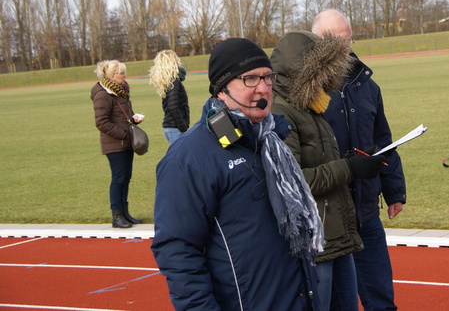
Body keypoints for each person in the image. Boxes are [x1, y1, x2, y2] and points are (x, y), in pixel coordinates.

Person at [151, 38, 324, 311]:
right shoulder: (189, 158)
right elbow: (178, 251)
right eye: (250, 79)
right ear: (221, 89)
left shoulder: (272, 140)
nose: (263, 88)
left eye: (268, 77)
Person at [269, 30, 388, 311]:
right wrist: (350, 167)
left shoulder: (311, 105)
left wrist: (354, 160)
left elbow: (318, 162)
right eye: (322, 70)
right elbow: (293, 181)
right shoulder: (281, 111)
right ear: (304, 71)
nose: (329, 79)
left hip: (335, 235)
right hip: (313, 242)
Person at [312, 9, 406, 311]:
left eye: (347, 40)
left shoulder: (368, 86)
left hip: (366, 212)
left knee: (381, 297)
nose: (343, 49)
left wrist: (394, 191)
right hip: (328, 217)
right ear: (316, 43)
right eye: (334, 41)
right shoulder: (306, 92)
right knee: (337, 303)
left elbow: (383, 141)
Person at [90, 60, 145, 229]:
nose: (125, 76)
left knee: (125, 178)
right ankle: (117, 215)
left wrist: (134, 118)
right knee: (118, 178)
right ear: (112, 76)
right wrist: (123, 134)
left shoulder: (120, 91)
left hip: (126, 141)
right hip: (115, 143)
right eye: (122, 73)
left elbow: (122, 115)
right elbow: (101, 122)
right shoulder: (103, 94)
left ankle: (125, 212)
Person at [149, 49, 190, 144]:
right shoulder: (174, 82)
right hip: (175, 128)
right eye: (177, 59)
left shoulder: (169, 81)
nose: (179, 62)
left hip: (172, 127)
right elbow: (173, 107)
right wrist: (183, 128)